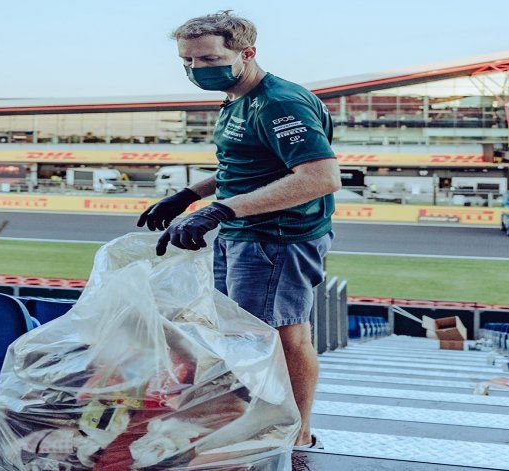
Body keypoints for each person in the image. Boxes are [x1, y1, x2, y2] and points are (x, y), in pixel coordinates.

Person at [137, 10, 340, 450]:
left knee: (282, 337)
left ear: (246, 53)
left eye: (209, 59)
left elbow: (320, 177)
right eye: (188, 62)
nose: (197, 70)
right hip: (244, 233)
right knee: (243, 337)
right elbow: (244, 164)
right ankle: (255, 421)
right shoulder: (237, 98)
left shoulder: (280, 102)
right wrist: (189, 195)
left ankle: (296, 435)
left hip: (277, 238)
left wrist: (219, 211)